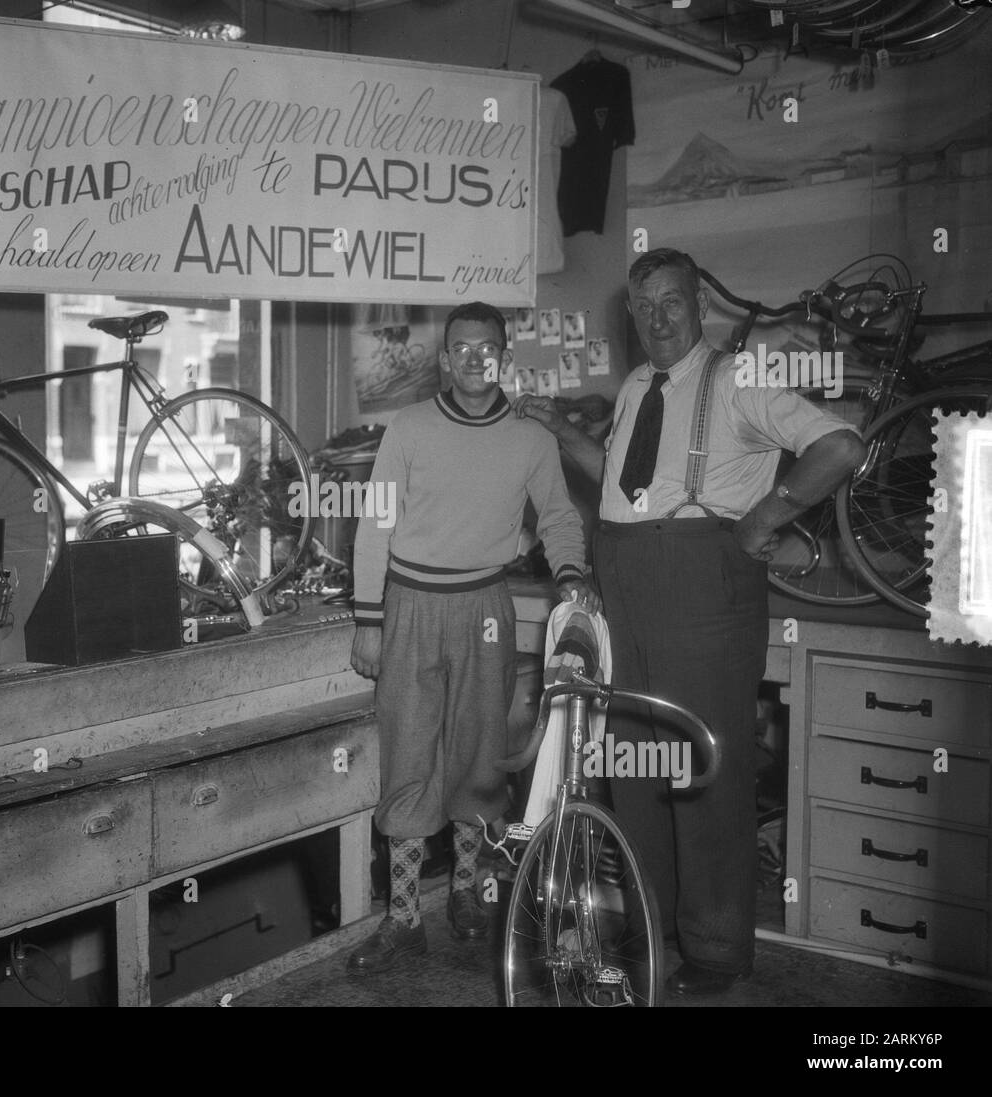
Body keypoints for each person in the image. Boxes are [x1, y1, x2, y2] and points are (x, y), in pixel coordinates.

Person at [516, 248, 865, 996]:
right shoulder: (639, 384)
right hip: (628, 587)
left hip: (705, 592)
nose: (657, 319)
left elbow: (840, 445)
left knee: (704, 768)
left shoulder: (742, 377)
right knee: (636, 769)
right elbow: (622, 479)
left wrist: (767, 515)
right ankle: (653, 931)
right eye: (643, 307)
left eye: (671, 302)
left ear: (700, 304)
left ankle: (713, 949)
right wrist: (552, 427)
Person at [347, 301, 596, 974]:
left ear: (503, 357)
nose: (473, 358)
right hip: (411, 606)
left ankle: (468, 894)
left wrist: (572, 577)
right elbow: (374, 527)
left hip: (486, 603)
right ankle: (402, 917)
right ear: (445, 356)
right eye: (461, 347)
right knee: (409, 751)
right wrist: (369, 619)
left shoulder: (531, 438)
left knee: (482, 757)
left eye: (487, 347)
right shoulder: (408, 426)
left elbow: (558, 517)